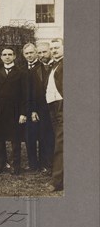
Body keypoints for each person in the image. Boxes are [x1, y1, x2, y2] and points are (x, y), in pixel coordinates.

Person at [0, 47, 28, 175]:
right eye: (4, 55)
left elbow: (25, 95)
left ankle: (15, 165)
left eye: (10, 54)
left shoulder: (21, 73)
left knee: (15, 139)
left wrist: (23, 113)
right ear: (1, 57)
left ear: (15, 56)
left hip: (15, 111)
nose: (7, 57)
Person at [23, 43, 53, 173]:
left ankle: (44, 163)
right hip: (29, 107)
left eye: (31, 53)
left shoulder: (44, 68)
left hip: (43, 108)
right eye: (26, 53)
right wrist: (30, 110)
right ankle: (32, 164)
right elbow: (26, 92)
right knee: (29, 137)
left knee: (43, 135)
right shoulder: (22, 68)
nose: (29, 55)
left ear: (36, 53)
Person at [45, 38, 64, 192]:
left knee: (61, 144)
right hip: (53, 107)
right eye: (52, 48)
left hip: (62, 107)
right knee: (59, 142)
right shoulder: (53, 65)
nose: (54, 50)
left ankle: (56, 181)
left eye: (57, 47)